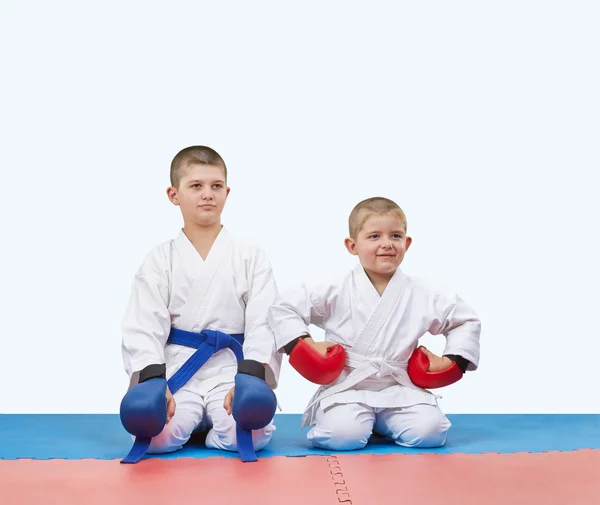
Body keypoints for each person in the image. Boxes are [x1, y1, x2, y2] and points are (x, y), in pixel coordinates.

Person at [267, 196, 480, 450]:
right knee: (342, 436)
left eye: (396, 236)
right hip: (348, 387)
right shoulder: (333, 286)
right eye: (374, 236)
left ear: (407, 243)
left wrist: (453, 360)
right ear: (352, 245)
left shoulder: (424, 292)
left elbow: (465, 320)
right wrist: (304, 344)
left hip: (400, 387)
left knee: (431, 433)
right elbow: (283, 308)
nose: (387, 244)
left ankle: (381, 423)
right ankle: (356, 423)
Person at [119, 145, 281, 463]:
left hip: (230, 370)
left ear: (226, 192)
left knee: (251, 433)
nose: (208, 194)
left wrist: (250, 378)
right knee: (156, 438)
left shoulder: (251, 256)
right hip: (179, 368)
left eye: (215, 186)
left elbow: (265, 321)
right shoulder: (159, 260)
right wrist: (153, 381)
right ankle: (191, 422)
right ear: (174, 194)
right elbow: (143, 324)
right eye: (196, 186)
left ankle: (214, 431)